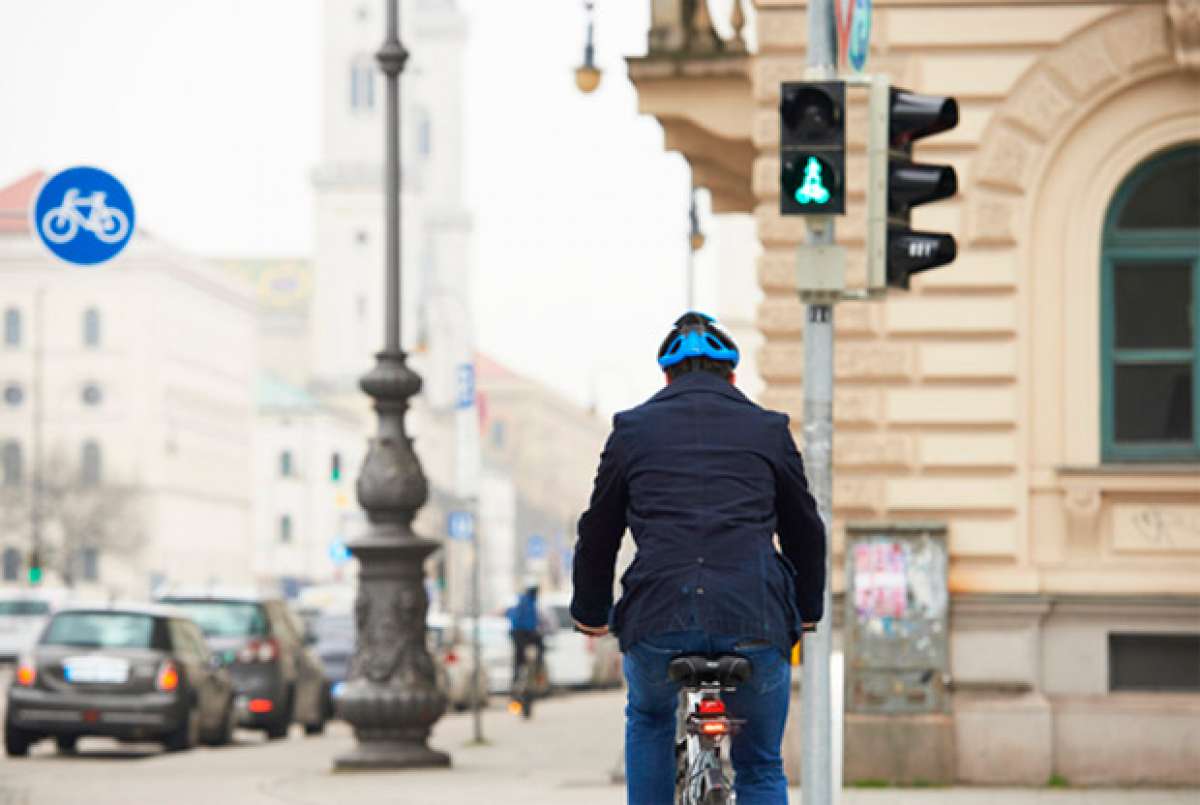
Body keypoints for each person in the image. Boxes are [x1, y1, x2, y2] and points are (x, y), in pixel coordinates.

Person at [570, 311, 826, 805]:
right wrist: (808, 611)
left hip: (659, 614)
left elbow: (598, 530)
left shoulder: (631, 430)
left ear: (665, 378)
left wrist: (591, 613)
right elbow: (805, 529)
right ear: (733, 376)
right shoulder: (768, 429)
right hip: (755, 614)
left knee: (648, 718)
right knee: (760, 762)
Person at [506, 581, 545, 691]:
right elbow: (533, 621)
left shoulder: (520, 601)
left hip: (516, 633)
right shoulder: (530, 602)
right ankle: (538, 673)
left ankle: (516, 679)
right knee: (540, 649)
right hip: (525, 632)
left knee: (518, 656)